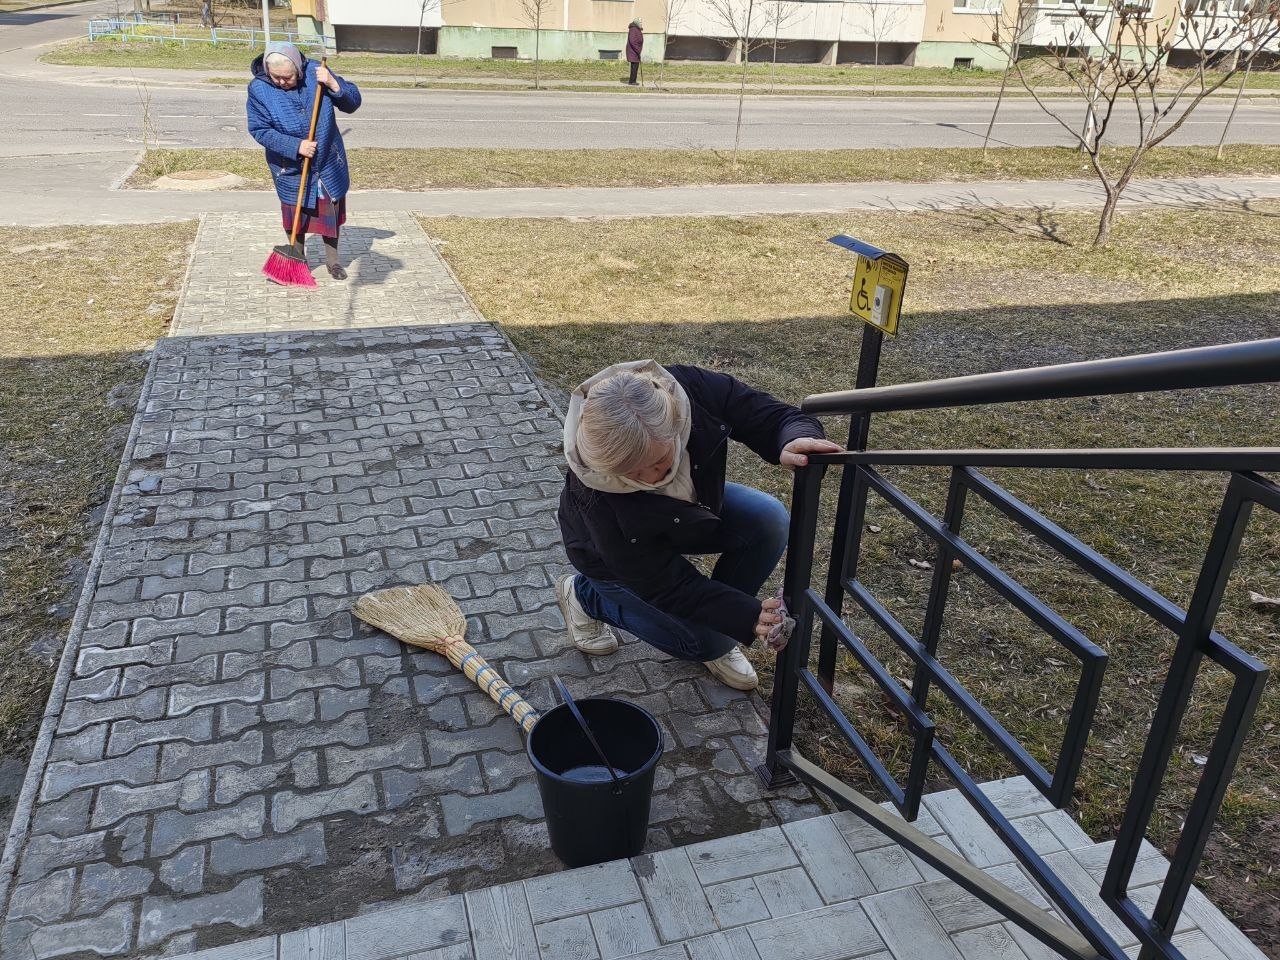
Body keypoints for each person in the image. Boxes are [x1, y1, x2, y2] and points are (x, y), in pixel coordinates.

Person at [556, 361, 842, 690]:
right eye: (630, 474)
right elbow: (667, 585)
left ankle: (717, 626)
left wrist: (795, 437)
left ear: (676, 424)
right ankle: (585, 596)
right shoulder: (593, 494)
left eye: (659, 461)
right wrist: (746, 616)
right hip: (613, 561)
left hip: (688, 513)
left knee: (768, 518)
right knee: (707, 642)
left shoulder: (689, 390)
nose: (650, 479)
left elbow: (767, 414)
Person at [246, 43, 362, 281]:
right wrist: (295, 146)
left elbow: (352, 103)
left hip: (327, 162)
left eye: (287, 77)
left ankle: (333, 262)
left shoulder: (316, 73)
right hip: (289, 167)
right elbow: (259, 130)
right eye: (276, 77)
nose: (281, 82)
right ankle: (298, 263)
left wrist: (333, 84)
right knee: (295, 218)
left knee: (330, 215)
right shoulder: (258, 88)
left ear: (298, 69)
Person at [626, 19, 644, 86]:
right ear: (637, 23)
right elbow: (632, 41)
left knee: (635, 66)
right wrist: (637, 49)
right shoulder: (633, 29)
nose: (641, 23)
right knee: (634, 67)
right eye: (640, 22)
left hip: (635, 51)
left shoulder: (637, 29)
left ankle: (633, 80)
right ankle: (632, 81)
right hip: (633, 51)